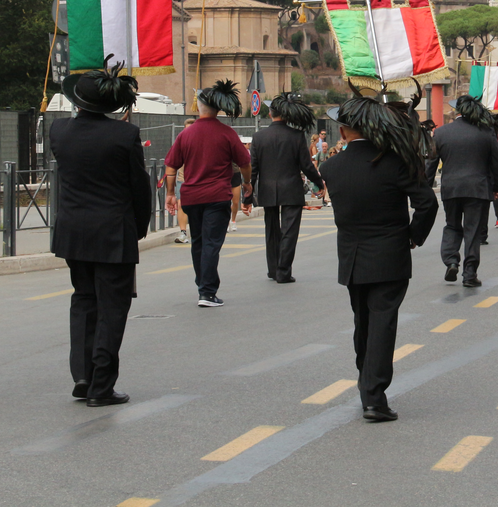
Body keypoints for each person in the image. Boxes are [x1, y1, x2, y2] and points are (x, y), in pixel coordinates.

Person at [320, 91, 438, 422]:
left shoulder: (331, 167)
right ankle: (374, 396)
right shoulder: (395, 162)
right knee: (383, 324)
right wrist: (414, 235)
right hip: (390, 253)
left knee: (364, 323)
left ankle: (366, 383)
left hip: (352, 257)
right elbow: (427, 203)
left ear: (343, 131)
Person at [50, 57, 151, 407]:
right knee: (113, 307)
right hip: (113, 231)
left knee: (83, 299)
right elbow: (139, 187)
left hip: (73, 231)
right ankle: (101, 385)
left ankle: (82, 374)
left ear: (77, 101)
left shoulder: (58, 130)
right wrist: (139, 227)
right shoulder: (125, 134)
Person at [165, 81, 251, 307]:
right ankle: (207, 292)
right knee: (212, 243)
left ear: (199, 107)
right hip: (217, 195)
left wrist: (171, 193)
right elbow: (244, 162)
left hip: (191, 197)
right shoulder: (227, 133)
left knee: (199, 242)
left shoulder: (185, 134)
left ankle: (202, 284)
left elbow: (171, 167)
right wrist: (247, 183)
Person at [425, 96, 498, 287]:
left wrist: (426, 188)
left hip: (451, 188)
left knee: (452, 225)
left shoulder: (441, 133)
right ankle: (469, 274)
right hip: (478, 189)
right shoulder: (486, 132)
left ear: (457, 112)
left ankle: (451, 261)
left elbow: (430, 163)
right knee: (473, 231)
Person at [248, 94, 323, 283]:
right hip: (291, 188)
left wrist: (247, 198)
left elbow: (253, 170)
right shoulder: (297, 136)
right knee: (289, 231)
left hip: (267, 189)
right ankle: (283, 271)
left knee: (271, 231)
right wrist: (319, 183)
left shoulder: (258, 137)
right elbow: (306, 166)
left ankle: (272, 269)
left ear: (269, 113)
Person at [174, 117, 195, 243]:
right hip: (182, 179)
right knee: (180, 204)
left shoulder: (201, 142)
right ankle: (183, 232)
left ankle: (197, 231)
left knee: (195, 208)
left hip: (197, 180)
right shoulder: (180, 142)